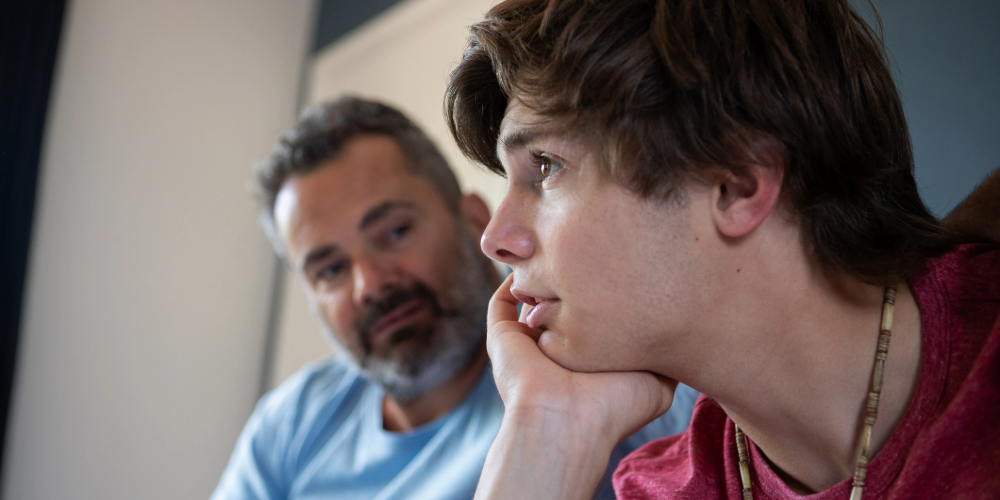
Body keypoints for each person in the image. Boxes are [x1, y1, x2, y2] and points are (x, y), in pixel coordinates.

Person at [443, 0, 1000, 498]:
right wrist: (546, 430)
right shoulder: (659, 490)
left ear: (736, 182)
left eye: (545, 166)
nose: (496, 240)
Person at [211, 96, 700, 500]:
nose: (371, 284)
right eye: (331, 269)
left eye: (395, 231)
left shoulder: (601, 358)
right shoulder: (290, 426)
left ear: (474, 221)